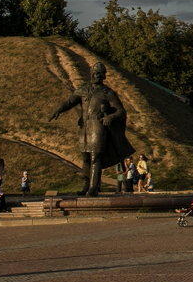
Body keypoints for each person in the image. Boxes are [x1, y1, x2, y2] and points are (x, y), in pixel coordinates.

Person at [47, 63, 135, 196]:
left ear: (103, 76)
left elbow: (121, 112)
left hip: (98, 127)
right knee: (85, 158)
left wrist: (110, 117)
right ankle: (86, 185)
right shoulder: (84, 89)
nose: (96, 76)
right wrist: (58, 110)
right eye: (94, 73)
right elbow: (70, 101)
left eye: (99, 73)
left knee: (96, 157)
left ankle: (94, 187)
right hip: (84, 128)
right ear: (91, 74)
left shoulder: (107, 92)